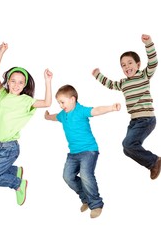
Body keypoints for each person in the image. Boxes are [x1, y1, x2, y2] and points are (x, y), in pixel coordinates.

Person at [0, 42, 53, 206]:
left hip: (9, 148)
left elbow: (47, 103)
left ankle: (18, 184)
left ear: (25, 85)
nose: (16, 85)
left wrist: (47, 81)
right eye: (13, 81)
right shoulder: (3, 94)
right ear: (8, 82)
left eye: (20, 82)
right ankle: (15, 171)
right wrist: (1, 52)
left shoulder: (26, 101)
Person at [92, 34, 161, 180]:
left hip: (146, 119)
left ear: (138, 65)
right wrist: (98, 75)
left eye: (130, 63)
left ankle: (154, 161)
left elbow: (153, 63)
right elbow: (110, 84)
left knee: (128, 144)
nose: (127, 67)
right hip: (134, 121)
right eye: (123, 65)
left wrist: (148, 44)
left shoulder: (144, 75)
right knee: (127, 149)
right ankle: (152, 162)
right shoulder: (123, 83)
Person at [45, 84, 121, 218]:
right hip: (73, 153)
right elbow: (55, 117)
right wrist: (47, 116)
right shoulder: (63, 115)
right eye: (59, 103)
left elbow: (96, 110)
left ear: (72, 99)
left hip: (89, 150)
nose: (61, 105)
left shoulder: (81, 110)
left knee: (86, 175)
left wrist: (111, 108)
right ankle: (85, 198)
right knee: (67, 177)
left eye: (62, 102)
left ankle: (96, 204)